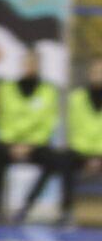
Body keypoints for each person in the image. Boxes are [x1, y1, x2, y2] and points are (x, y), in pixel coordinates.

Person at [15, 56, 101, 225]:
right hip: (81, 150)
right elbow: (75, 130)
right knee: (61, 160)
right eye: (96, 71)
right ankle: (63, 211)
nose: (99, 75)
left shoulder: (49, 91)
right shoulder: (77, 98)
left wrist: (98, 156)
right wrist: (89, 156)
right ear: (90, 73)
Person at [0, 50, 59, 223]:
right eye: (26, 63)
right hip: (10, 142)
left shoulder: (48, 91)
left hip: (35, 145)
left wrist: (30, 144)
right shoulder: (6, 89)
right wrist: (12, 144)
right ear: (21, 65)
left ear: (38, 66)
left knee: (54, 160)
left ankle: (26, 207)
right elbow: (1, 119)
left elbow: (48, 122)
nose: (29, 66)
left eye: (33, 63)